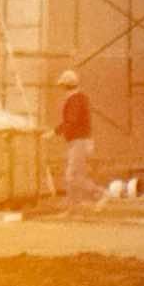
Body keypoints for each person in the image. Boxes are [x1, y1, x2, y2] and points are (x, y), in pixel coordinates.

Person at [56, 69, 100, 208]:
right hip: (82, 140)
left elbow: (71, 121)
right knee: (77, 174)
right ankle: (74, 204)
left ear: (65, 86)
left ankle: (99, 194)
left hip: (79, 141)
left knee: (73, 175)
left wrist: (55, 131)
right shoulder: (81, 98)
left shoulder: (74, 99)